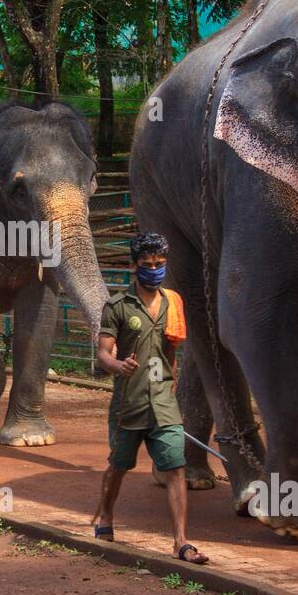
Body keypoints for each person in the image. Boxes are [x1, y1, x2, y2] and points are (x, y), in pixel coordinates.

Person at [91, 230, 207, 565]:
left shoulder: (173, 303)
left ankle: (181, 543)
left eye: (159, 264)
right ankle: (106, 518)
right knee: (119, 466)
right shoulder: (117, 306)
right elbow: (102, 353)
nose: (154, 269)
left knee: (176, 469)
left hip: (165, 404)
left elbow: (174, 348)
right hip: (129, 404)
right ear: (134, 265)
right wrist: (118, 365)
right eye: (147, 264)